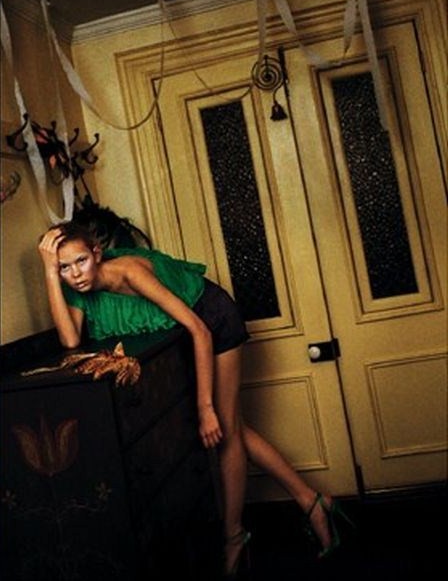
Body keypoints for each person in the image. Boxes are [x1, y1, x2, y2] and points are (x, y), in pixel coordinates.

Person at [38, 220, 351, 578]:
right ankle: (312, 501)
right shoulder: (78, 288)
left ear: (97, 253)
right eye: (64, 267)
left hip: (210, 319)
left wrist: (205, 409)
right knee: (233, 426)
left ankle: (234, 536)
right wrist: (49, 272)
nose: (76, 274)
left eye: (81, 261)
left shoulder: (129, 272)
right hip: (186, 331)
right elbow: (70, 341)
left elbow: (200, 330)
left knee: (225, 430)